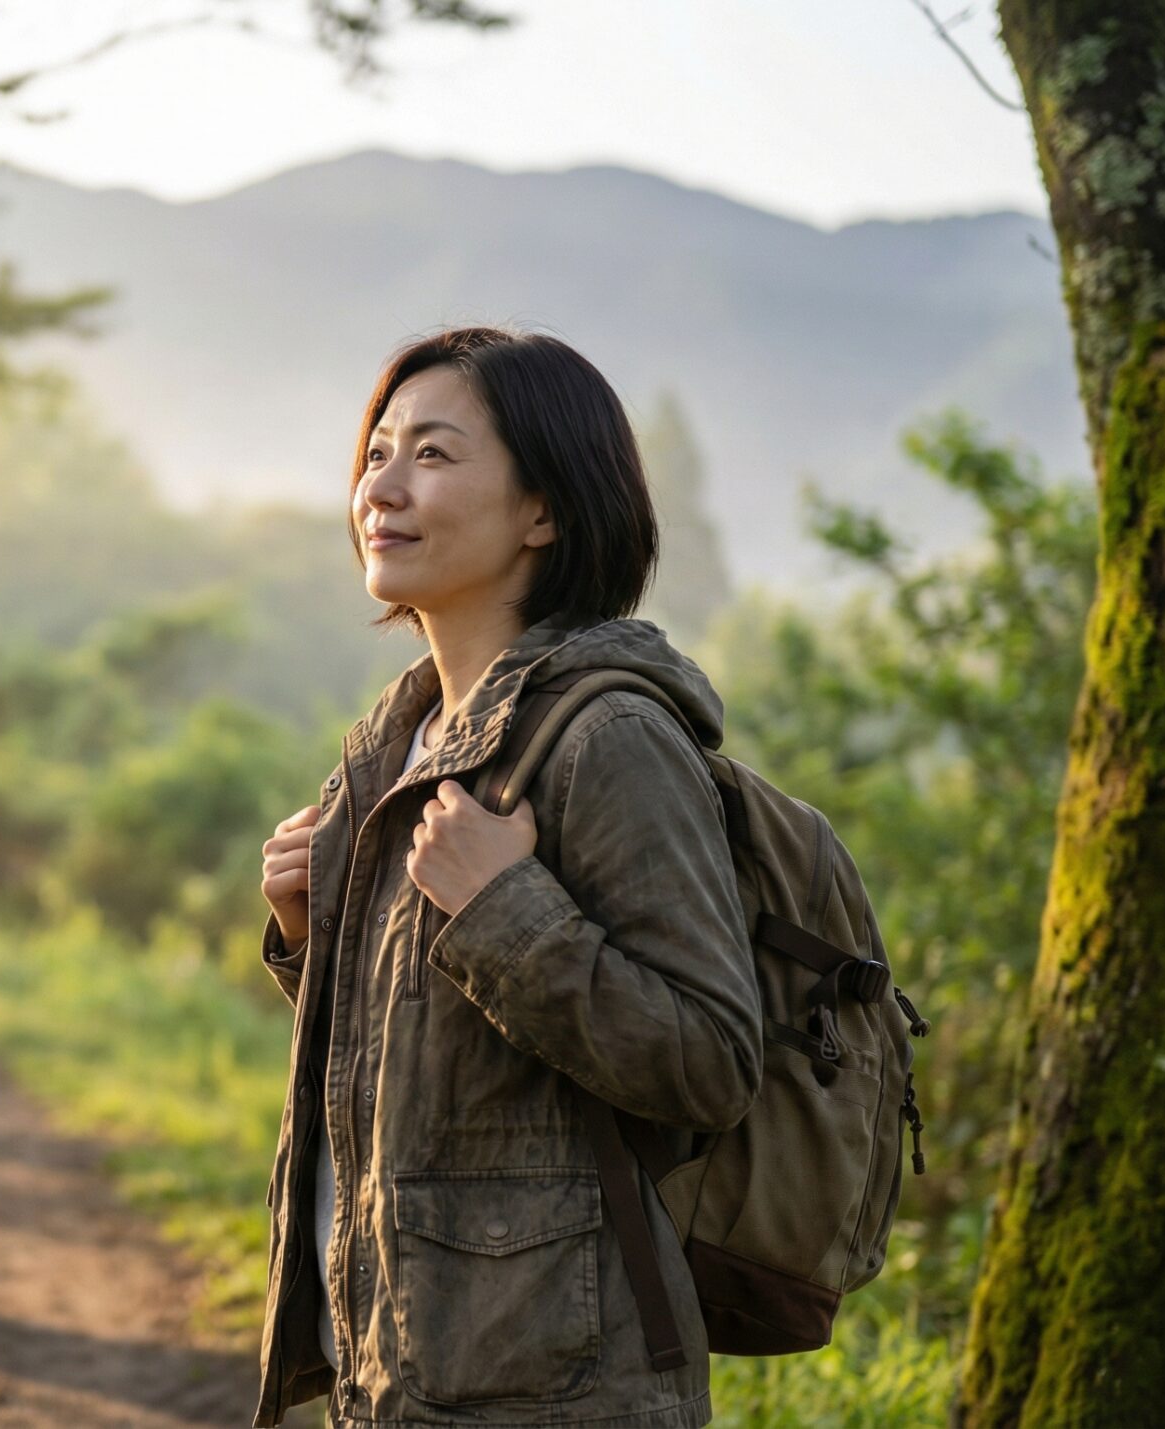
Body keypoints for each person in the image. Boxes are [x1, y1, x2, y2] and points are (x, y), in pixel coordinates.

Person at [247, 326, 763, 1428]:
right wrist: (311, 940)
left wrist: (505, 911)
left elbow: (714, 1060)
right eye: (377, 451)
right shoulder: (397, 744)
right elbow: (447, 1068)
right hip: (395, 1369)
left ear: (545, 510)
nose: (380, 486)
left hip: (555, 1393)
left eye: (432, 455)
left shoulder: (610, 736)